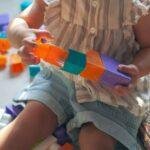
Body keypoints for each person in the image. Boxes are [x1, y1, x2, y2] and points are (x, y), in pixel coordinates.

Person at [0, 0, 150, 149]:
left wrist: (136, 68)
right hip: (60, 77)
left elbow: (147, 47)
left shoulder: (133, 5)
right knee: (28, 124)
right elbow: (20, 22)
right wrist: (23, 35)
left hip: (111, 90)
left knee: (95, 141)